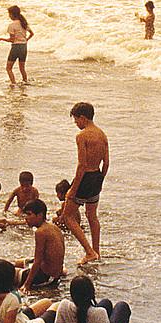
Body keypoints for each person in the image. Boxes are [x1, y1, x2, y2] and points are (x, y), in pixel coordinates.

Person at [68, 102, 108, 254]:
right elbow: (106, 163)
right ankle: (96, 251)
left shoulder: (82, 136)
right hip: (97, 176)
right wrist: (100, 181)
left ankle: (89, 252)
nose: (76, 123)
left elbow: (82, 165)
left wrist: (73, 189)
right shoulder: (102, 134)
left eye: (76, 120)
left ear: (83, 118)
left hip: (85, 177)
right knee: (92, 216)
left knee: (68, 216)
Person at [17, 200, 66, 290]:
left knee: (8, 273)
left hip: (47, 277)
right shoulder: (53, 227)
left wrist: (26, 285)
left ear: (39, 215)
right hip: (54, 273)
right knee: (17, 262)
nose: (26, 218)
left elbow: (38, 261)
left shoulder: (40, 232)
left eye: (29, 214)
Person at [53, 179, 101, 266]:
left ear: (62, 193)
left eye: (58, 193)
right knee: (92, 216)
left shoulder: (66, 205)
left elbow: (63, 219)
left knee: (54, 221)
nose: (57, 195)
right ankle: (96, 251)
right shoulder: (71, 205)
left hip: (72, 228)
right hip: (95, 183)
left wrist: (56, 219)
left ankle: (91, 252)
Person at [0, 5, 33, 84]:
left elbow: (12, 40)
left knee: (8, 68)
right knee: (22, 68)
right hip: (24, 47)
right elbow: (32, 34)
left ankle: (13, 83)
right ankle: (25, 82)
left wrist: (1, 39)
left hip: (16, 47)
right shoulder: (24, 23)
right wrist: (26, 40)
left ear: (12, 14)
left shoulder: (12, 25)